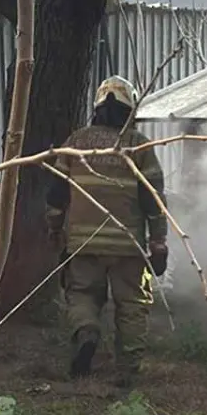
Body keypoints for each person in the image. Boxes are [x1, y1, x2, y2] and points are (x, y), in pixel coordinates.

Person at [45, 75, 169, 387]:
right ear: (130, 109)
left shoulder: (75, 142)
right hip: (128, 245)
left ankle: (87, 331)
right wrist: (158, 241)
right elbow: (153, 197)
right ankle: (128, 372)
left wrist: (54, 228)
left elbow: (57, 193)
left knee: (82, 294)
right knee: (132, 306)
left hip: (83, 243)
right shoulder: (138, 144)